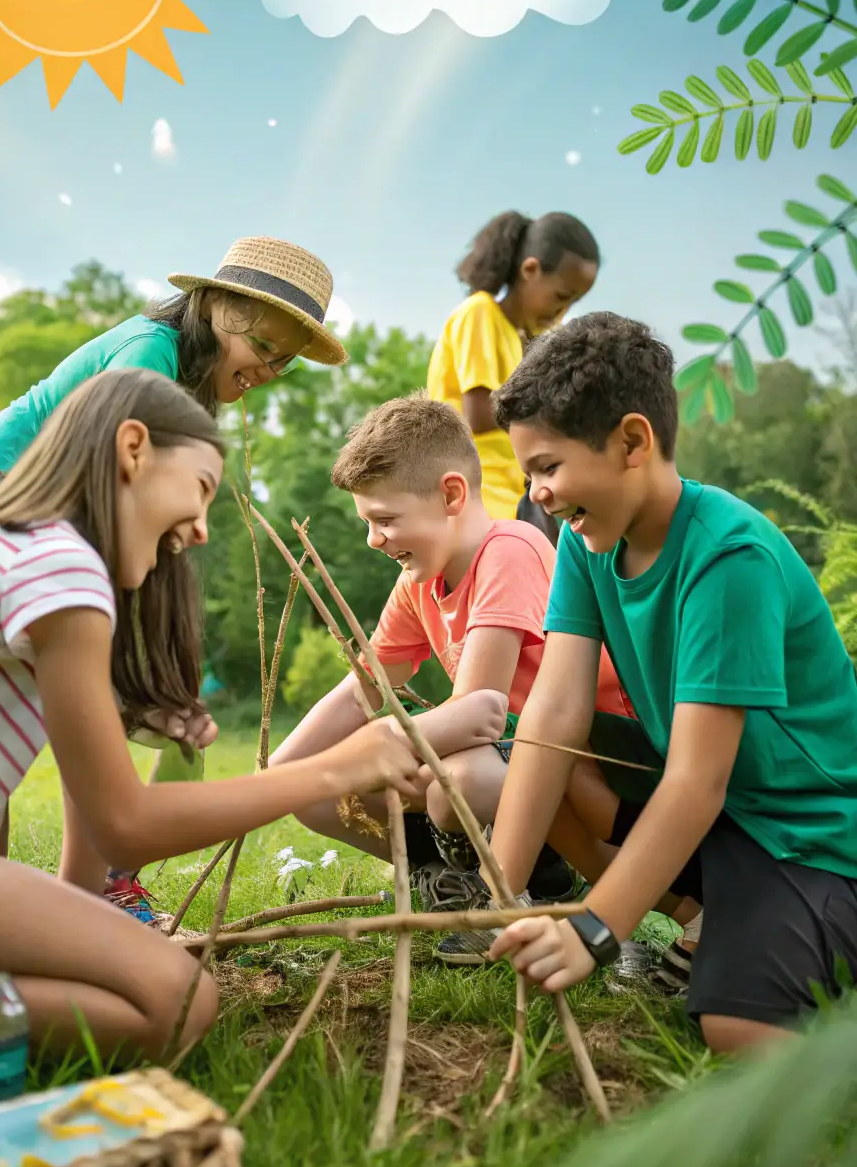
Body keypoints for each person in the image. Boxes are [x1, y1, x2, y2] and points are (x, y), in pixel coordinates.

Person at [0, 369, 421, 1124]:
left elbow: (91, 826)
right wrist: (336, 765)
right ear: (134, 449)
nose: (204, 527)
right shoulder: (59, 562)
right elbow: (125, 825)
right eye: (202, 486)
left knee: (151, 992)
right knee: (176, 1003)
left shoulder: (30, 554)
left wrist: (81, 922)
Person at [486, 312, 857, 1054]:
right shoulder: (590, 540)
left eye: (550, 467)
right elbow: (554, 713)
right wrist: (499, 895)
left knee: (736, 1028)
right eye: (529, 472)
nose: (539, 494)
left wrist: (594, 925)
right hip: (722, 813)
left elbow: (696, 782)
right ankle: (710, 919)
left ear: (632, 441)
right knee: (523, 746)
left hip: (806, 830)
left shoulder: (728, 555)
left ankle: (795, 926)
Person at [0, 236, 348, 910]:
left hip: (83, 509)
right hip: (16, 485)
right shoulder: (150, 355)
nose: (270, 368)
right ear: (217, 304)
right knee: (11, 691)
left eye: (284, 360)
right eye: (265, 346)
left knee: (100, 692)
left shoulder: (190, 384)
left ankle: (89, 891)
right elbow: (107, 476)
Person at [270, 392, 636, 965]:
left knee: (453, 780)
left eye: (386, 520)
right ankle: (452, 879)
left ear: (451, 494)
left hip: (582, 763)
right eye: (368, 522)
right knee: (314, 791)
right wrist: (287, 771)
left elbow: (479, 711)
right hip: (499, 753)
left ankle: (543, 881)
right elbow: (366, 686)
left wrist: (373, 754)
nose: (374, 539)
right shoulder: (420, 582)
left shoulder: (509, 549)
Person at [427, 211, 600, 542]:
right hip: (478, 495)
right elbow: (479, 414)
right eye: (561, 296)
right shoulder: (480, 314)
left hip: (523, 498)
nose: (562, 311)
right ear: (530, 270)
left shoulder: (528, 337)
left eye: (573, 302)